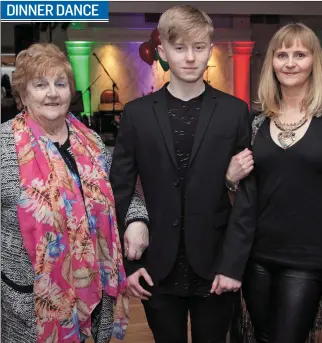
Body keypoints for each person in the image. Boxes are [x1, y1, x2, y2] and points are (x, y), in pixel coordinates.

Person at [110, 5, 255, 343]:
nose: (190, 57)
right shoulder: (136, 114)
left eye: (199, 47)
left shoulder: (235, 112)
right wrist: (129, 266)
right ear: (162, 52)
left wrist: (233, 265)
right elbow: (119, 190)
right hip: (156, 266)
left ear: (210, 49)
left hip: (216, 266)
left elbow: (248, 198)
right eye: (179, 48)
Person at [0, 43, 146, 343]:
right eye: (40, 84)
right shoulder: (4, 145)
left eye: (60, 83)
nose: (52, 93)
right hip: (31, 299)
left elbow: (120, 190)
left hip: (93, 288)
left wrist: (137, 220)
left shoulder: (90, 140)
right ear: (23, 95)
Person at [222, 23, 322, 343]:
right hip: (257, 256)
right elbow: (242, 198)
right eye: (282, 54)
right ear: (271, 62)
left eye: (299, 54)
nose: (289, 62)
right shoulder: (255, 124)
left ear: (314, 61)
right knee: (261, 337)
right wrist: (230, 179)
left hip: (307, 258)